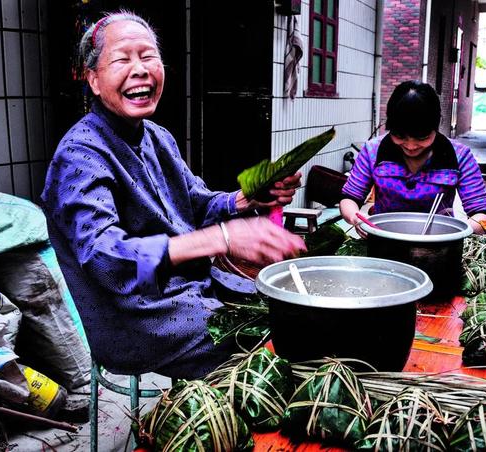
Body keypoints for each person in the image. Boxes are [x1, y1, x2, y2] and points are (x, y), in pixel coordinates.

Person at [40, 11, 306, 379]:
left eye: (148, 56)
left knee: (286, 312)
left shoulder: (157, 137)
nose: (140, 70)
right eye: (122, 59)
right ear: (94, 80)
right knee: (262, 348)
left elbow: (197, 203)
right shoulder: (80, 154)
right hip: (135, 317)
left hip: (188, 292)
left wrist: (247, 200)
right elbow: (106, 260)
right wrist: (222, 238)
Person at [340, 80, 486, 237]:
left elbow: (483, 213)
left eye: (422, 137)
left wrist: (455, 233)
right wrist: (356, 217)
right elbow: (349, 198)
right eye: (400, 136)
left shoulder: (459, 155)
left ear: (436, 126)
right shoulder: (372, 151)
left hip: (440, 245)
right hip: (383, 241)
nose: (411, 146)